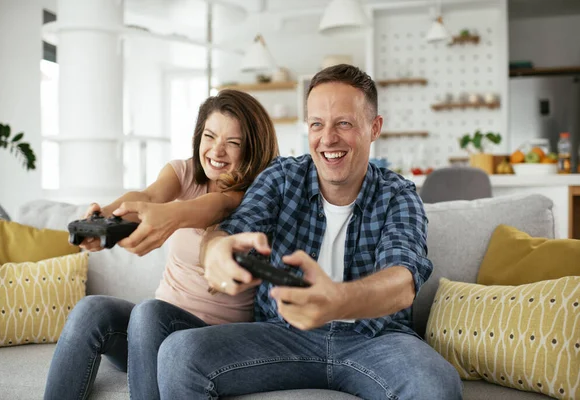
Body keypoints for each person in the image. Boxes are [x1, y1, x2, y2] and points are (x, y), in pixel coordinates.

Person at [155, 64, 463, 399]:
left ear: (374, 127)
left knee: (435, 384)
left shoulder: (398, 195)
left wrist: (338, 301)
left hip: (375, 339)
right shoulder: (282, 177)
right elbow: (229, 233)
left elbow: (402, 282)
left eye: (343, 123)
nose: (328, 138)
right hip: (281, 335)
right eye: (317, 124)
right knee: (178, 353)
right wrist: (215, 250)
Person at [43, 89, 279, 400]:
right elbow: (150, 197)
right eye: (210, 136)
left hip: (209, 342)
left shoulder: (257, 195)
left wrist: (169, 215)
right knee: (93, 308)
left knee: (149, 311)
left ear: (252, 149)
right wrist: (105, 216)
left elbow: (218, 204)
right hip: (149, 335)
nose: (216, 151)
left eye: (232, 143)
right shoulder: (184, 171)